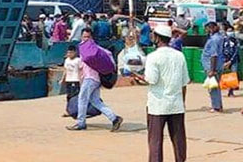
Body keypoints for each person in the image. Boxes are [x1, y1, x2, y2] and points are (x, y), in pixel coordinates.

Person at [132, 25, 189, 162]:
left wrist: (138, 77)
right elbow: (184, 83)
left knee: (155, 141)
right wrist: (182, 102)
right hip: (176, 104)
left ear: (157, 38)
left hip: (157, 105)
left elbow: (151, 79)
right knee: (179, 139)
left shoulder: (153, 57)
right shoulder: (179, 56)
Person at [66, 28, 123, 132]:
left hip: (90, 78)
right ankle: (114, 118)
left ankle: (81, 123)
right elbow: (109, 55)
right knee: (95, 101)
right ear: (81, 37)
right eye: (84, 37)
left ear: (91, 37)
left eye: (88, 37)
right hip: (95, 79)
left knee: (82, 99)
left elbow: (108, 54)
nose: (86, 39)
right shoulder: (89, 49)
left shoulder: (93, 49)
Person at [202, 21, 225, 112]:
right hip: (216, 65)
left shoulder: (214, 40)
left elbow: (213, 55)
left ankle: (216, 106)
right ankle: (218, 105)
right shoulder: (219, 37)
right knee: (215, 86)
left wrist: (212, 70)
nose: (207, 30)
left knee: (213, 87)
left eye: (208, 28)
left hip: (213, 66)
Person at [61, 45, 81, 117]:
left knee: (74, 96)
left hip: (75, 80)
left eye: (71, 53)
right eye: (68, 52)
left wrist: (81, 81)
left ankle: (76, 110)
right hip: (68, 80)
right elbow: (65, 70)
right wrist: (62, 79)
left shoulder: (78, 60)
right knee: (68, 96)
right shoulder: (67, 60)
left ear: (75, 52)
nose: (69, 54)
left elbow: (80, 71)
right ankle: (69, 110)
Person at [223, 26, 239, 98]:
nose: (230, 32)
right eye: (229, 31)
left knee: (232, 76)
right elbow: (222, 50)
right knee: (222, 75)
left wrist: (231, 61)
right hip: (225, 60)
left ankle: (231, 91)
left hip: (234, 60)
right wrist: (224, 61)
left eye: (231, 31)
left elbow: (236, 52)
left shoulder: (236, 41)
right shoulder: (223, 40)